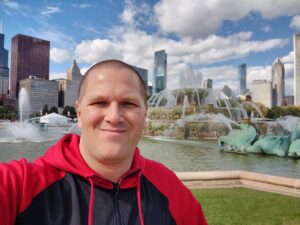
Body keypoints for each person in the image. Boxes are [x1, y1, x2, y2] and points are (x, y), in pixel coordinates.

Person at [0, 59, 207, 225]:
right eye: (100, 102)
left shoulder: (170, 188)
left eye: (128, 103)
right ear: (79, 113)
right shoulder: (21, 186)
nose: (114, 116)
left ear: (145, 113)